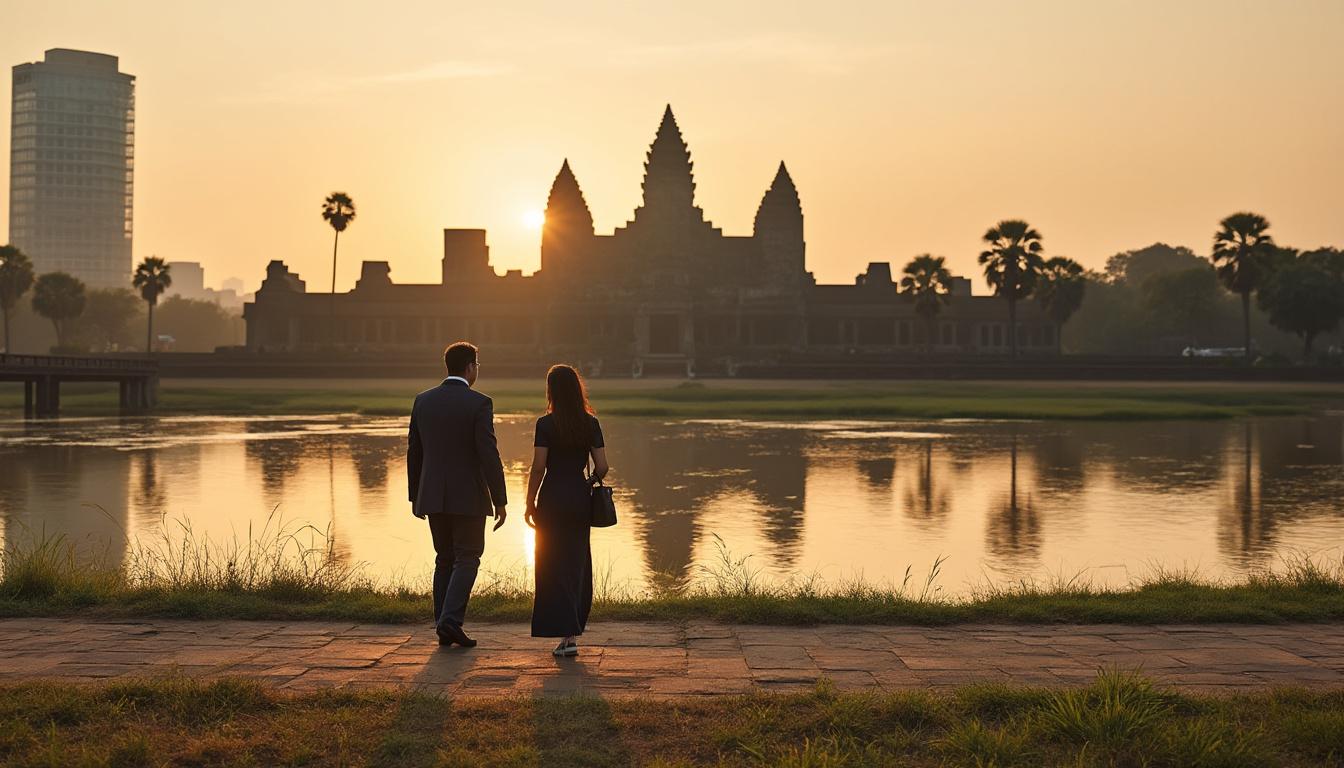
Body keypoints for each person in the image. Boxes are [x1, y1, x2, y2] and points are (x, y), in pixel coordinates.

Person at [407, 341, 508, 648]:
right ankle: (450, 622)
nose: (477, 370)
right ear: (470, 367)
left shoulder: (423, 400)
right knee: (468, 557)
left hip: (432, 494)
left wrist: (415, 495)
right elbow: (488, 453)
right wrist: (500, 498)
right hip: (468, 496)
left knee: (445, 559)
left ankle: (443, 623)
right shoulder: (479, 403)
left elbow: (414, 451)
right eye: (477, 365)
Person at [524, 364, 609, 656]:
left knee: (551, 564)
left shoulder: (545, 425)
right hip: (579, 498)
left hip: (552, 498)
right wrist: (587, 482)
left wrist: (529, 501)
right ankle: (572, 634)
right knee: (576, 563)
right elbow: (603, 467)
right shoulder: (590, 423)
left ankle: (565, 634)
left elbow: (538, 467)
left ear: (551, 391)